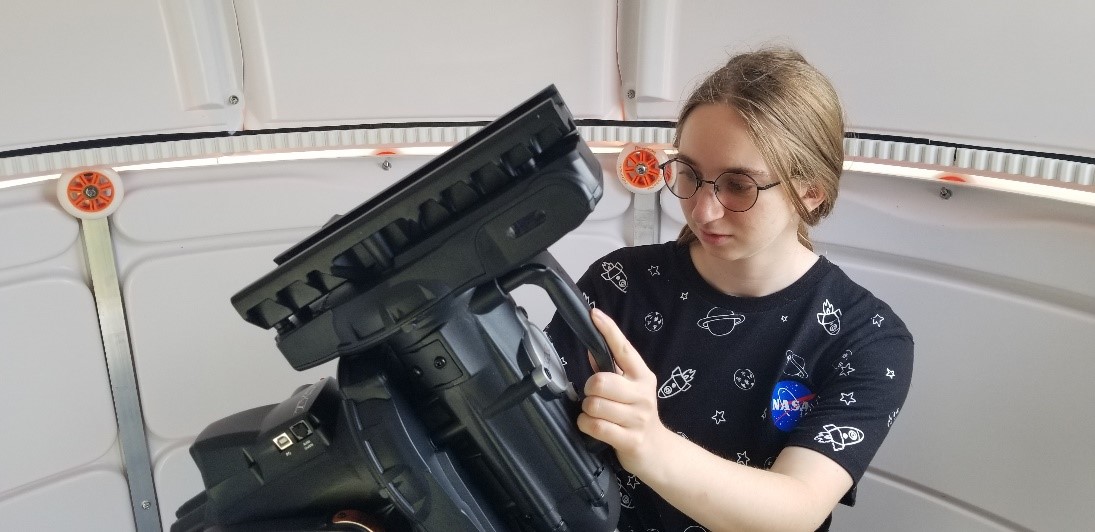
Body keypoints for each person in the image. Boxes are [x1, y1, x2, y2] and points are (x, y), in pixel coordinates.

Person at [545, 47, 914, 532]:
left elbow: (794, 510)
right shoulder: (622, 285)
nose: (702, 210)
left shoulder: (866, 338)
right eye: (691, 175)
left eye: (739, 185)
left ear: (811, 190)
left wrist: (648, 444)